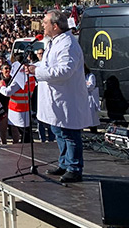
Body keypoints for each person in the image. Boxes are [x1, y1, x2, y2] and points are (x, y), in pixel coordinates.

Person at [27, 10, 91, 183]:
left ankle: (74, 168)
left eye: (45, 22)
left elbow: (64, 71)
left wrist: (37, 71)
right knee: (58, 131)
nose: (42, 25)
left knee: (69, 133)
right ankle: (64, 162)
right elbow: (49, 64)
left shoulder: (68, 44)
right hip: (54, 97)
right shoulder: (55, 42)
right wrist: (35, 66)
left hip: (66, 98)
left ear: (55, 26)